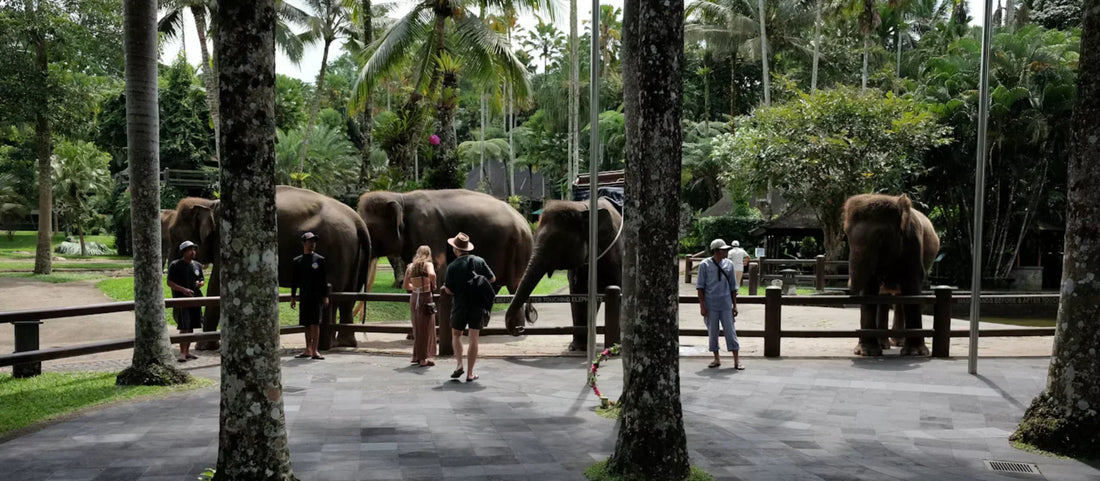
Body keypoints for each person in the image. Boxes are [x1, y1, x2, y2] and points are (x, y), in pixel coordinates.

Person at [443, 232, 495, 382]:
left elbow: (449, 290)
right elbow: (492, 278)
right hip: (477, 305)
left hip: (460, 305)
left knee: (456, 335)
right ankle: (470, 373)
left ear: (456, 249)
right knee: (474, 339)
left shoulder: (452, 266)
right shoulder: (479, 261)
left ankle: (459, 364)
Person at [696, 239, 743, 369]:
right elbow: (700, 287)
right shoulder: (704, 265)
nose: (726, 252)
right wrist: (702, 305)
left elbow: (733, 286)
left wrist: (735, 305)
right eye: (724, 250)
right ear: (716, 251)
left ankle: (736, 360)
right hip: (711, 304)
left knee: (730, 331)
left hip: (726, 303)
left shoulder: (729, 264)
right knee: (713, 332)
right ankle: (716, 358)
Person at [290, 232, 329, 360]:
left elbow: (323, 280)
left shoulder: (319, 260)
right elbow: (294, 280)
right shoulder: (297, 261)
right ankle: (308, 348)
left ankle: (315, 350)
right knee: (306, 323)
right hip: (304, 296)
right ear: (304, 243)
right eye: (310, 241)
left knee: (315, 323)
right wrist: (293, 296)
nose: (312, 244)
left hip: (316, 296)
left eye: (314, 241)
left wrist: (325, 296)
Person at [166, 240, 205, 362]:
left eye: (194, 249)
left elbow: (202, 279)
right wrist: (183, 290)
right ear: (183, 252)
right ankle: (182, 352)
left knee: (192, 326)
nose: (193, 252)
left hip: (195, 299)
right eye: (190, 250)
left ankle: (188, 352)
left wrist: (200, 284)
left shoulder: (198, 265)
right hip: (182, 300)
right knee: (184, 325)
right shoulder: (175, 265)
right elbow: (169, 282)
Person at [405, 245, 437, 367]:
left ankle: (417, 356)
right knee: (426, 328)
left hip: (414, 298)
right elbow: (432, 275)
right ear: (428, 254)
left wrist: (416, 287)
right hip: (425, 297)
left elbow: (406, 286)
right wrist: (433, 284)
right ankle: (423, 359)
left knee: (417, 327)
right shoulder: (428, 265)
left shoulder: (410, 267)